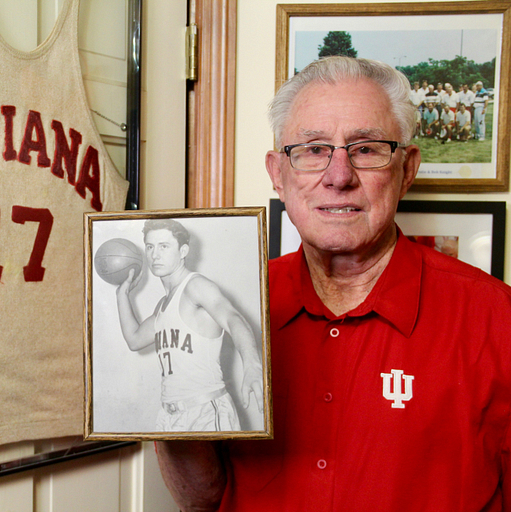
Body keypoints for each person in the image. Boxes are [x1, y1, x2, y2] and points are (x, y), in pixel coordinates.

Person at [156, 56, 511, 510]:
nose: (338, 176)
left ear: (407, 171)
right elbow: (204, 499)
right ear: (278, 174)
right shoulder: (233, 300)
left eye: (366, 148)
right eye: (313, 150)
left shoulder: (495, 319)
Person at [115, 218, 264, 432]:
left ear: (183, 251)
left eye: (164, 246)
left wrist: (252, 364)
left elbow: (233, 318)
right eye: (150, 247)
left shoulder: (196, 286)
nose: (154, 255)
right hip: (169, 415)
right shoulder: (163, 305)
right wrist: (122, 294)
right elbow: (135, 339)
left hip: (205, 411)